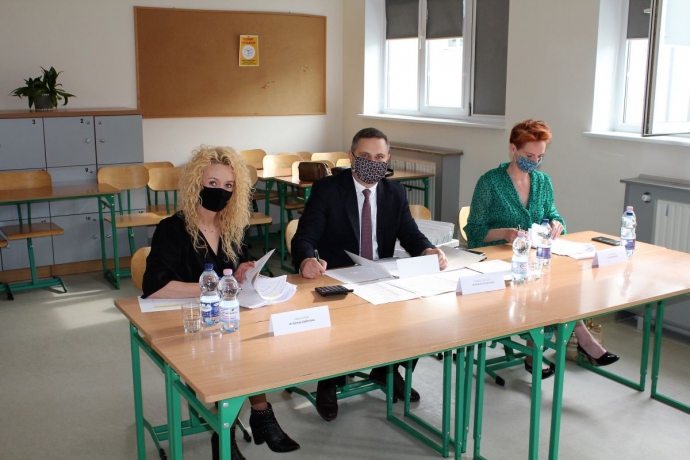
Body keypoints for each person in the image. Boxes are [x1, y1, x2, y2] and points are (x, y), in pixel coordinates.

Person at [143, 146, 299, 460]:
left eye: (228, 185)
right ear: (195, 184)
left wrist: (242, 273)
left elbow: (234, 275)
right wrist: (213, 288)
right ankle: (233, 429)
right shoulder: (172, 229)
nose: (221, 192)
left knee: (256, 345)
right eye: (212, 183)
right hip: (186, 321)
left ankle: (256, 417)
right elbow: (155, 288)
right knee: (238, 355)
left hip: (225, 318)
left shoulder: (231, 228)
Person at [291, 127, 448, 421]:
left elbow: (410, 233)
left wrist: (428, 250)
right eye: (364, 156)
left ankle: (388, 369)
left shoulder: (395, 192)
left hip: (380, 274)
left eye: (379, 157)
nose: (372, 162)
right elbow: (304, 237)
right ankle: (329, 381)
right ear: (351, 157)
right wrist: (305, 260)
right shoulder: (328, 189)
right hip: (338, 275)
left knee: (417, 316)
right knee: (337, 327)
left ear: (387, 159)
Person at [464, 119, 619, 378]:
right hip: (500, 260)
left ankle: (544, 347)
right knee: (540, 289)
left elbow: (553, 214)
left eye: (540, 156)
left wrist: (557, 223)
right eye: (529, 155)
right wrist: (505, 233)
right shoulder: (490, 182)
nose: (535, 161)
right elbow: (474, 231)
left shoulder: (543, 182)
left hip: (535, 257)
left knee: (562, 284)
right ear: (513, 149)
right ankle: (569, 342)